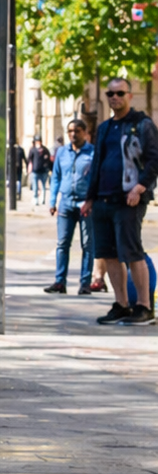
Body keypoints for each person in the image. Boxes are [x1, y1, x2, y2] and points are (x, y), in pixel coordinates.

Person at [84, 77, 158, 325]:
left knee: (132, 251)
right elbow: (97, 164)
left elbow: (154, 159)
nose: (114, 97)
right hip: (103, 199)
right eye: (110, 93)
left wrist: (140, 187)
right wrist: (90, 198)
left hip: (129, 200)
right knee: (108, 254)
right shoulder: (105, 127)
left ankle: (144, 307)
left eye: (119, 93)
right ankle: (122, 304)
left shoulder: (142, 124)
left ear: (130, 96)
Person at [46, 118, 95, 295]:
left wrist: (92, 200)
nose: (73, 134)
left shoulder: (92, 152)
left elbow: (96, 178)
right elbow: (56, 177)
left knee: (88, 244)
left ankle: (85, 283)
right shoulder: (62, 152)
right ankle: (60, 282)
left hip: (85, 202)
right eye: (70, 131)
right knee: (62, 243)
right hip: (66, 201)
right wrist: (52, 201)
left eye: (77, 131)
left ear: (85, 133)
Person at [29, 137, 53, 207]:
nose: (38, 143)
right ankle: (36, 198)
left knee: (43, 186)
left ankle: (42, 199)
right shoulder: (33, 150)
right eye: (37, 141)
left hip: (43, 170)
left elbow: (48, 160)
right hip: (35, 170)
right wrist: (30, 167)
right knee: (35, 186)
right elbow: (30, 159)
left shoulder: (45, 150)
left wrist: (49, 168)